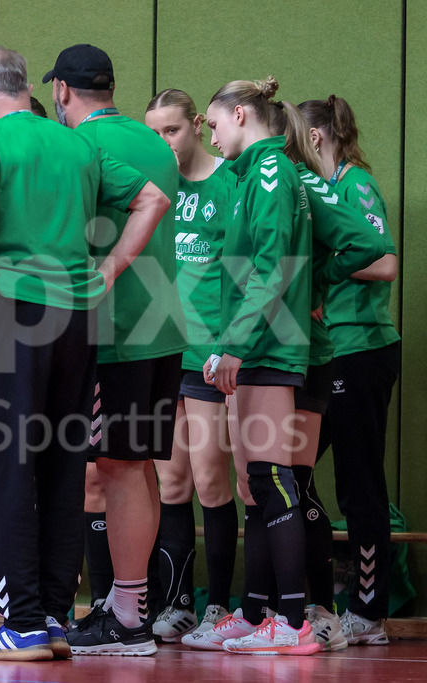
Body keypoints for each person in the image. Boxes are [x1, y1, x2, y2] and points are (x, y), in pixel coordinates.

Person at [0, 45, 170, 661]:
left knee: (6, 469)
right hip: (78, 322)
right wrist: (104, 274)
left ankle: (19, 621)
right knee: (60, 470)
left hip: (14, 317)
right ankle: (52, 618)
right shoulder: (77, 144)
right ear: (28, 86)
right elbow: (153, 199)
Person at [47, 44, 186, 655]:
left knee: (120, 471)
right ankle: (130, 605)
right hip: (162, 333)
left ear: (62, 92)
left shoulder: (82, 147)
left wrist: (102, 274)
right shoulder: (156, 143)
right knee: (139, 470)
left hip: (115, 333)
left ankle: (128, 619)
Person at [200, 76, 318, 655]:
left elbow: (273, 268)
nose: (211, 136)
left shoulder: (272, 174)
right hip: (254, 347)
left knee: (274, 478)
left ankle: (293, 624)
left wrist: (236, 345)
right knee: (255, 485)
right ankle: (257, 613)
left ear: (241, 115)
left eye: (214, 124)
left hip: (270, 348)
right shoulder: (251, 176)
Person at [301, 95, 401, 646]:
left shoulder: (354, 183)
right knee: (293, 470)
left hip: (362, 350)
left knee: (359, 485)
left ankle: (369, 611)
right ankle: (318, 597)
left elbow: (384, 262)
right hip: (330, 350)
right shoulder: (321, 187)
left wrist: (330, 279)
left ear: (317, 136)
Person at [143, 89, 235, 643]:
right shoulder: (157, 188)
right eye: (153, 133)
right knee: (171, 482)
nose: (163, 144)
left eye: (171, 132)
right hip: (164, 352)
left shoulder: (228, 181)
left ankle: (220, 607)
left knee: (210, 481)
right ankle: (176, 603)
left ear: (198, 125)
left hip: (211, 358)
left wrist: (229, 347)